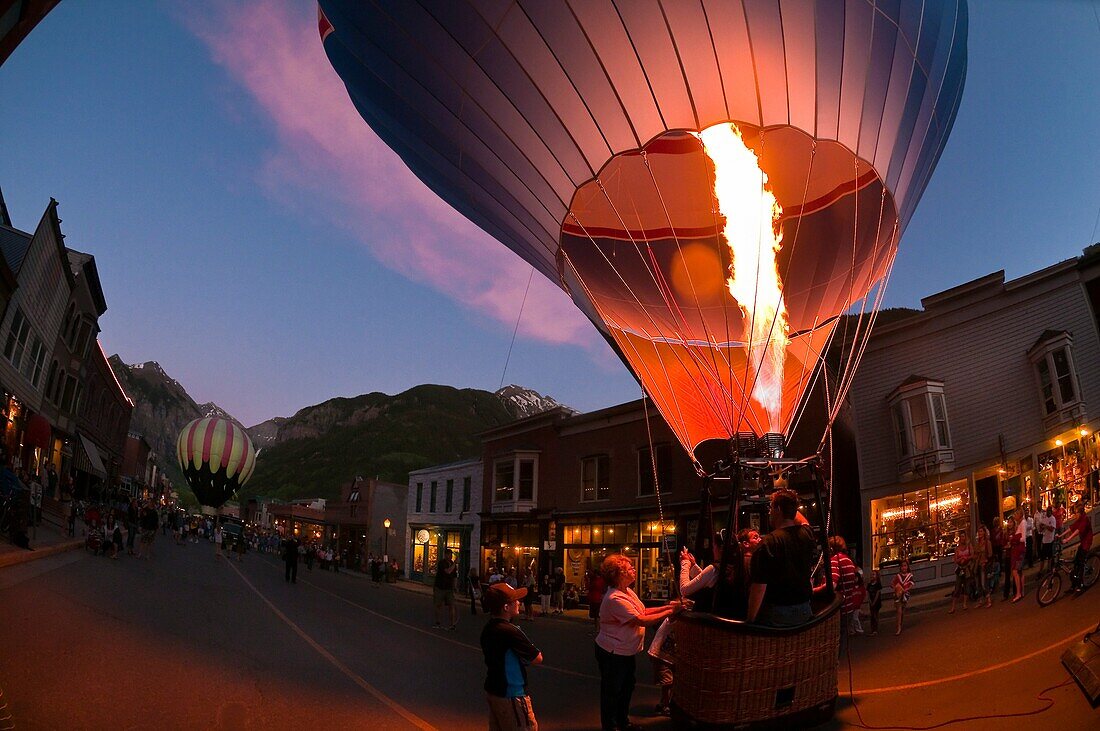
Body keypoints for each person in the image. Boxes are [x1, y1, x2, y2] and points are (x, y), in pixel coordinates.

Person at [594, 554, 682, 731]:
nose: (634, 570)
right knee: (612, 691)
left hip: (625, 651)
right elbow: (641, 619)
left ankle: (622, 721)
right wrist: (669, 612)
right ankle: (610, 726)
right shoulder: (614, 598)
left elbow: (644, 610)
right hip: (613, 652)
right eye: (629, 568)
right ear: (619, 573)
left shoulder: (627, 591)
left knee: (627, 686)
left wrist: (668, 606)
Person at [747, 489, 817, 627]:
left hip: (778, 613)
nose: (769, 512)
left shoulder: (768, 543)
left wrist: (749, 621)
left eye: (771, 508)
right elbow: (803, 521)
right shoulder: (807, 534)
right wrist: (789, 504)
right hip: (805, 609)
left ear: (778, 509)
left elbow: (759, 587)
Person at [480, 583, 542, 730]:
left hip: (494, 691)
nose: (519, 603)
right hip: (512, 695)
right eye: (515, 601)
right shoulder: (510, 631)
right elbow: (537, 657)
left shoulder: (488, 629)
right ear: (506, 607)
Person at [817, 536, 859, 655]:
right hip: (849, 607)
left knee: (833, 644)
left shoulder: (835, 560)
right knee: (842, 640)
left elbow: (832, 585)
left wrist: (814, 590)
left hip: (838, 609)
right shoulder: (848, 561)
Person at [1059, 503, 1094, 593]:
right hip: (1082, 542)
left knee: (1080, 563)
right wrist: (1060, 536)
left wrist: (1067, 539)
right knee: (1075, 563)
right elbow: (1071, 528)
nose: (1075, 515)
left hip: (1087, 542)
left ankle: (1081, 585)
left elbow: (1077, 531)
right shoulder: (1079, 519)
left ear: (1081, 513)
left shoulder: (1085, 519)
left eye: (1076, 513)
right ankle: (1073, 585)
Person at [949, 531, 974, 613]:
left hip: (967, 568)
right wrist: (960, 559)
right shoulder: (957, 548)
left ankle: (965, 604)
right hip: (960, 569)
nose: (963, 538)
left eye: (964, 536)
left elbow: (972, 555)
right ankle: (953, 607)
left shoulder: (969, 546)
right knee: (957, 587)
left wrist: (966, 558)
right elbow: (955, 559)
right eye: (961, 537)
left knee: (967, 586)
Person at [433, 549, 458, 630]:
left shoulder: (452, 564)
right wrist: (454, 563)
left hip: (449, 588)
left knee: (452, 605)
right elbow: (448, 571)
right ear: (445, 555)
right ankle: (438, 622)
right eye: (449, 554)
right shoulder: (442, 563)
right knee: (438, 605)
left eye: (451, 555)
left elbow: (454, 576)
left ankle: (452, 624)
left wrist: (455, 586)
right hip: (440, 587)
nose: (450, 556)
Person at [892, 560, 914, 636]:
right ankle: (898, 627)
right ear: (900, 567)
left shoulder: (910, 575)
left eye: (905, 566)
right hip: (898, 595)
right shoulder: (898, 576)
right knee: (899, 611)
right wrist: (897, 588)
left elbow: (911, 585)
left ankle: (900, 623)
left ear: (907, 567)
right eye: (902, 566)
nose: (904, 567)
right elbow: (892, 584)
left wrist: (905, 590)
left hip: (906, 595)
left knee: (902, 611)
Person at [974, 525, 993, 608]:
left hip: (983, 565)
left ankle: (988, 600)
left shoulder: (987, 542)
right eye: (979, 532)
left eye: (981, 531)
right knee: (978, 584)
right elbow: (975, 553)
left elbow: (990, 554)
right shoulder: (977, 543)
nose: (980, 533)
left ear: (984, 532)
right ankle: (981, 600)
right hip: (978, 564)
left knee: (984, 583)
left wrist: (986, 561)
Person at [1007, 516, 1025, 603]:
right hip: (1015, 552)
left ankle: (1018, 593)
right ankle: (1021, 591)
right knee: (1019, 572)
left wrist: (1013, 540)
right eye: (1008, 522)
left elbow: (1021, 539)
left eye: (1011, 522)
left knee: (1016, 572)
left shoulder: (1017, 530)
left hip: (1017, 552)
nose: (1009, 524)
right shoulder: (1009, 531)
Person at [1036, 505, 1057, 575]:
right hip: (1044, 540)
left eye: (1048, 511)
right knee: (1042, 557)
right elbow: (1041, 529)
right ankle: (1040, 571)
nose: (1047, 513)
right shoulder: (1044, 519)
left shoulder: (1053, 519)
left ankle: (1049, 569)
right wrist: (1041, 526)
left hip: (1050, 540)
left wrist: (1045, 526)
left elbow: (1052, 529)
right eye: (1047, 511)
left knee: (1050, 556)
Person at [586, 569, 606, 635]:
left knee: (596, 615)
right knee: (596, 615)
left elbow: (590, 587)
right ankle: (597, 629)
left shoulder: (597, 581)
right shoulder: (600, 580)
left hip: (596, 598)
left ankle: (597, 629)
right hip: (595, 598)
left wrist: (588, 581)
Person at [866, 570, 883, 636]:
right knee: (872, 615)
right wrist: (870, 601)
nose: (872, 576)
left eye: (873, 574)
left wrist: (874, 602)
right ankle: (872, 629)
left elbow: (877, 594)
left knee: (875, 615)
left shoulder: (878, 584)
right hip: (871, 602)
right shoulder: (869, 585)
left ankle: (875, 629)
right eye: (871, 574)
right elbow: (868, 593)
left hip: (876, 602)